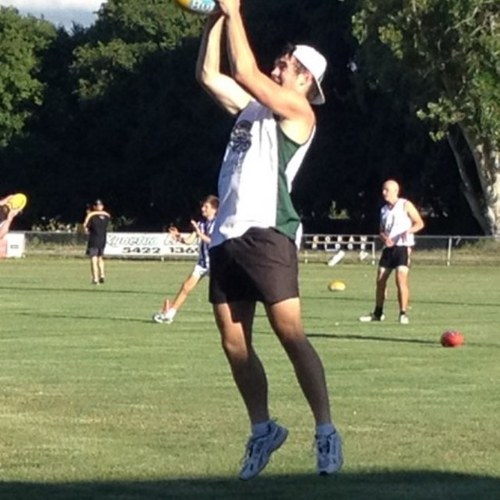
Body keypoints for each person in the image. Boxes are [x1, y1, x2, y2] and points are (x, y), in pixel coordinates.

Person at [196, 1, 342, 480]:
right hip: (228, 235)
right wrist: (213, 22)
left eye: (287, 63)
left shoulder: (298, 110)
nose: (278, 65)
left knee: (291, 335)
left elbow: (243, 68)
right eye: (280, 60)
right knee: (233, 343)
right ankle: (263, 430)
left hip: (268, 234)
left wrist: (234, 11)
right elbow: (209, 75)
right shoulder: (252, 108)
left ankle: (325, 431)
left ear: (304, 79)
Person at [359, 179, 424, 324]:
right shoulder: (384, 210)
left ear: (396, 191)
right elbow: (381, 231)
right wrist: (384, 238)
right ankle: (378, 313)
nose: (384, 193)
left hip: (402, 248)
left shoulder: (405, 205)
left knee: (400, 280)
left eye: (386, 190)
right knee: (380, 280)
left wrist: (408, 231)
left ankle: (403, 313)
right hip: (388, 249)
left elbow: (419, 223)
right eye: (383, 190)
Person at [153, 195, 219, 324]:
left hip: (216, 264)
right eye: (203, 206)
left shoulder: (218, 224)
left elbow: (211, 241)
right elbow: (190, 241)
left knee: (222, 293)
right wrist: (178, 237)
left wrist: (199, 233)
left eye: (206, 206)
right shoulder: (201, 223)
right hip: (202, 263)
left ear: (214, 209)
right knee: (186, 287)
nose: (203, 209)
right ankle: (170, 315)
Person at [83, 199, 111, 285]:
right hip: (102, 240)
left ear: (94, 207)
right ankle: (102, 274)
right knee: (100, 258)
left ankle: (95, 278)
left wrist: (89, 215)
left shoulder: (91, 216)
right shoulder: (106, 216)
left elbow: (85, 228)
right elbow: (107, 215)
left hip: (94, 239)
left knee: (93, 259)